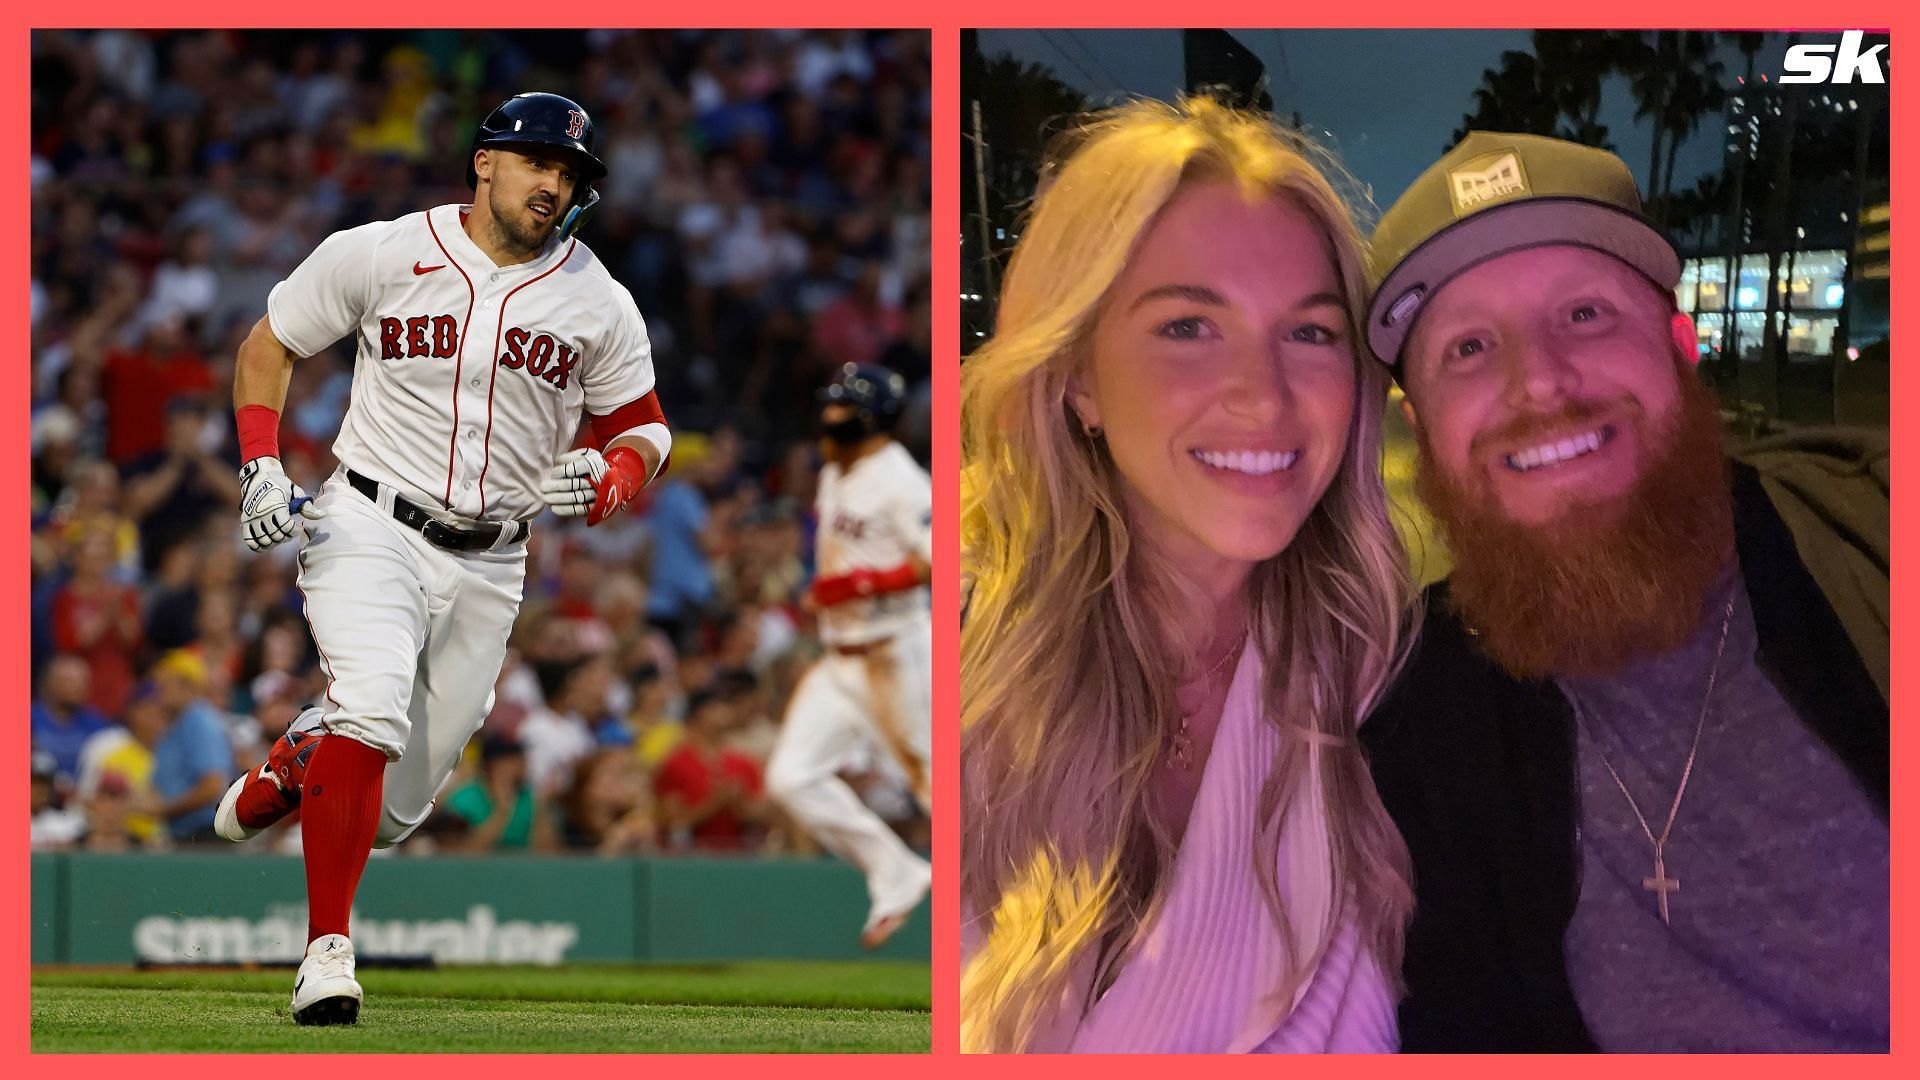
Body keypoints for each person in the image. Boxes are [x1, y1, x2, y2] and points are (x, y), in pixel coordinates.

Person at [1359, 132, 1888, 1051]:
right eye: (1470, 347)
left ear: (1681, 346)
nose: (1540, 385)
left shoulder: (1870, 542)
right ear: (1420, 426)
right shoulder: (1414, 720)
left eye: (1586, 314)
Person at [958, 97, 1416, 1054]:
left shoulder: (1387, 677)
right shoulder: (947, 647)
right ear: (1076, 373)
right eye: (1187, 328)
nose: (1263, 393)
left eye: (1310, 333)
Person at [208, 91, 672, 1027]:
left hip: (494, 563)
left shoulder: (598, 299)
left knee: (390, 812)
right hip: (368, 522)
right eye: (538, 162)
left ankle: (302, 759)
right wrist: (261, 468)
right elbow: (270, 345)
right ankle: (326, 956)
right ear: (486, 162)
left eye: (570, 174)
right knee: (372, 704)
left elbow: (645, 428)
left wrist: (617, 478)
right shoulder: (383, 250)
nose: (554, 185)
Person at [768, 361, 933, 950]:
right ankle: (896, 873)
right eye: (830, 408)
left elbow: (941, 558)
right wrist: (832, 586)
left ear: (874, 420)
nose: (831, 420)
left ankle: (1007, 909)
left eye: (844, 412)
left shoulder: (903, 482)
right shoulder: (836, 471)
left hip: (898, 655)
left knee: (941, 791)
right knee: (791, 778)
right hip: (840, 658)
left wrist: (862, 585)